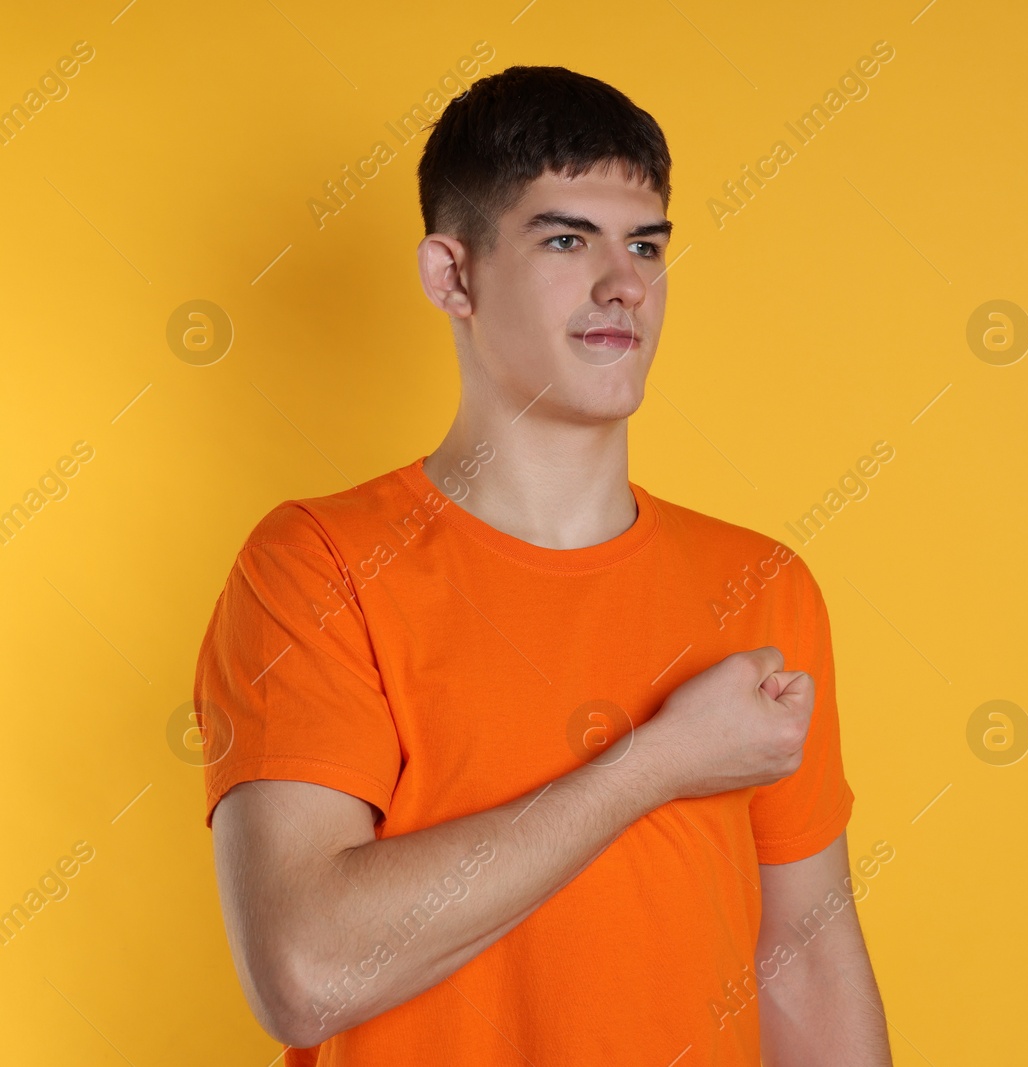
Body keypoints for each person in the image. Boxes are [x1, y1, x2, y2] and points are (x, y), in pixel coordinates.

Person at [194, 64, 892, 1066]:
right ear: (453, 276)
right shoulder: (315, 565)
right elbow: (306, 969)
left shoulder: (762, 584)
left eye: (645, 244)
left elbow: (807, 961)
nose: (624, 283)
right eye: (566, 238)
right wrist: (655, 763)